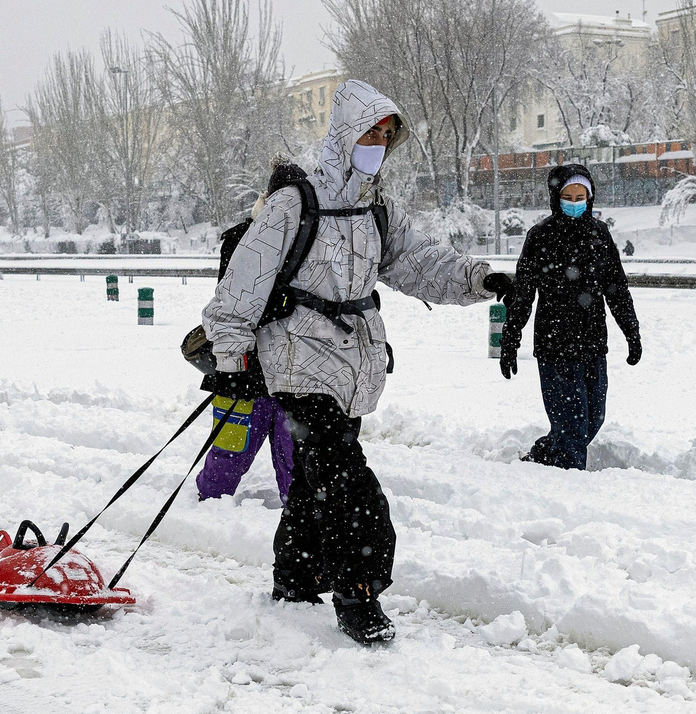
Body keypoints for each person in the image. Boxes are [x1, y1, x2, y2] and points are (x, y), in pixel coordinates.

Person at [201, 79, 509, 645]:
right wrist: (229, 359)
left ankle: (295, 579)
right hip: (297, 364)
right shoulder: (294, 205)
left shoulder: (376, 208)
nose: (380, 142)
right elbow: (237, 292)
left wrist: (477, 279)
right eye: (371, 131)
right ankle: (358, 592)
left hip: (351, 367)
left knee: (317, 480)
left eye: (388, 135)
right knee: (349, 483)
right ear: (345, 134)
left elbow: (418, 263)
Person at [499, 164, 642, 470]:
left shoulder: (599, 234)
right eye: (568, 195)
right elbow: (524, 294)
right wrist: (510, 339)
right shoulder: (540, 236)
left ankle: (542, 457)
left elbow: (616, 288)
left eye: (581, 196)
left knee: (593, 418)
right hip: (554, 345)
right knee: (573, 427)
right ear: (556, 196)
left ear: (590, 198)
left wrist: (632, 332)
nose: (575, 202)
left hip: (592, 342)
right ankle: (570, 488)